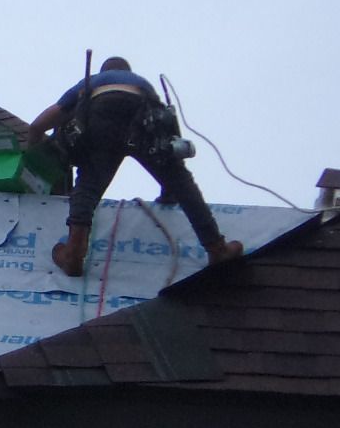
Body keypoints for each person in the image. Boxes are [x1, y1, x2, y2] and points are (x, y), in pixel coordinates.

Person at [23, 56, 243, 278]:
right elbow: (167, 138)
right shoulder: (141, 83)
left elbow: (41, 123)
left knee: (88, 184)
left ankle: (74, 253)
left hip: (102, 117)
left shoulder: (93, 81)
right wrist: (169, 191)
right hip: (144, 115)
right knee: (181, 182)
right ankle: (217, 248)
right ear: (127, 71)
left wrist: (33, 152)